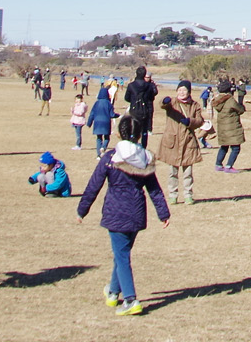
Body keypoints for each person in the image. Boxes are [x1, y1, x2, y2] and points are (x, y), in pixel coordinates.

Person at [78, 116, 170, 317]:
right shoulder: (145, 159)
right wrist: (163, 212)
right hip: (136, 212)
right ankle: (112, 292)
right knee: (122, 253)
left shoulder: (111, 157)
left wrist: (82, 210)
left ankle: (130, 299)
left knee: (122, 255)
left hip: (116, 212)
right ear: (139, 136)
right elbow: (154, 188)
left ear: (118, 133)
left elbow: (94, 185)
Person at [157, 80, 206, 205]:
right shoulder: (173, 102)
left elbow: (200, 121)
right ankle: (173, 195)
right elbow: (162, 104)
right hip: (173, 141)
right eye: (179, 90)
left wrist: (190, 121)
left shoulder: (195, 105)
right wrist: (164, 101)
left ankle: (188, 195)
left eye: (184, 90)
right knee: (172, 172)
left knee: (188, 172)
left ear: (189, 92)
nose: (181, 92)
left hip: (188, 142)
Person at [210, 78, 245, 172]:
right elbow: (240, 110)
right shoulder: (230, 100)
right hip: (232, 126)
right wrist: (242, 106)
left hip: (222, 127)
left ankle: (218, 164)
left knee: (224, 146)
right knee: (236, 147)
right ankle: (229, 166)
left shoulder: (217, 99)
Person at [124, 67, 157, 141]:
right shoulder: (149, 85)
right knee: (144, 130)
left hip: (134, 110)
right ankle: (143, 146)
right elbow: (151, 97)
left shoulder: (131, 85)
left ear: (136, 74)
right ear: (144, 75)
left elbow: (126, 98)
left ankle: (133, 143)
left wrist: (133, 101)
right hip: (145, 109)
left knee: (133, 128)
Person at [88, 82, 116, 155]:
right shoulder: (109, 103)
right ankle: (103, 147)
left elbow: (92, 113)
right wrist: (118, 115)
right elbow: (112, 114)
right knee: (107, 138)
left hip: (97, 123)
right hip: (106, 122)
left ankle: (98, 155)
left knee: (99, 138)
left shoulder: (96, 103)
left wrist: (89, 123)